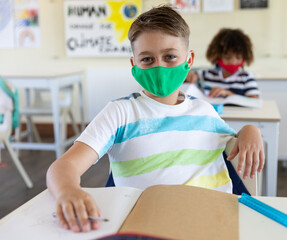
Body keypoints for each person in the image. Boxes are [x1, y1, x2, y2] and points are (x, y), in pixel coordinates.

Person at [46, 5, 264, 233]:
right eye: (147, 59)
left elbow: (235, 142)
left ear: (188, 60)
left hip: (213, 223)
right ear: (134, 65)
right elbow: (63, 167)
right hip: (147, 228)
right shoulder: (120, 113)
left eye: (170, 56)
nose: (159, 66)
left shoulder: (205, 111)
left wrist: (250, 130)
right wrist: (67, 190)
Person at [185, 28, 260, 98]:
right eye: (227, 58)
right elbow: (184, 80)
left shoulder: (246, 77)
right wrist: (187, 76)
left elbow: (253, 101)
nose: (233, 62)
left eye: (238, 58)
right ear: (217, 56)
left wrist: (228, 94)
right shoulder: (205, 75)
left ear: (245, 57)